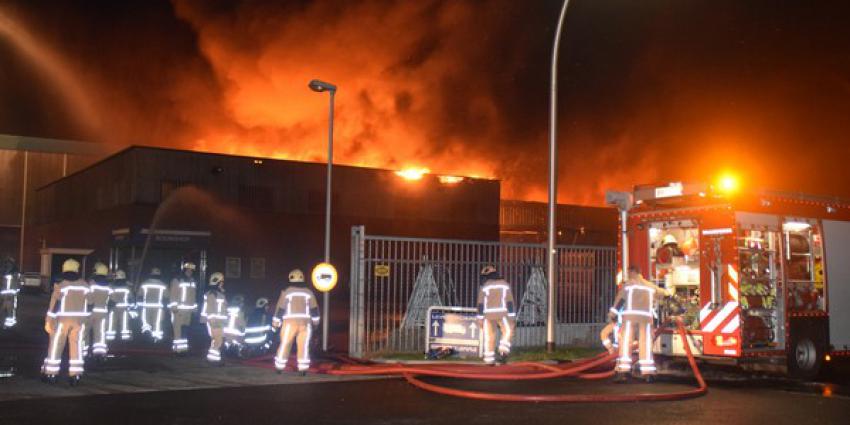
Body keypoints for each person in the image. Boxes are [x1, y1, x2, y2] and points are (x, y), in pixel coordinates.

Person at [612, 266, 670, 382]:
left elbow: (619, 301)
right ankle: (648, 374)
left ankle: (624, 372)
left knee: (626, 344)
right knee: (646, 344)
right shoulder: (649, 285)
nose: (628, 275)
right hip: (646, 320)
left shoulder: (628, 285)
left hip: (630, 319)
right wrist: (669, 292)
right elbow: (664, 293)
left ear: (632, 272)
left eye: (629, 273)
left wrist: (612, 315)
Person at [41, 259, 90, 385]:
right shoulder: (85, 285)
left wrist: (48, 320)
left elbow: (54, 304)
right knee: (76, 347)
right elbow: (89, 304)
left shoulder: (61, 285)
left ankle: (51, 374)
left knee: (56, 346)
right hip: (79, 321)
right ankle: (76, 375)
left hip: (62, 321)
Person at [272, 269, 320, 375]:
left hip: (289, 323)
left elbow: (280, 308)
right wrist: (316, 323)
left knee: (285, 344)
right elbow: (314, 309)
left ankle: (279, 367)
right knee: (303, 346)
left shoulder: (287, 291)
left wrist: (275, 324)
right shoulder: (309, 292)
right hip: (306, 325)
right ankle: (303, 369)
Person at [476, 265, 516, 365]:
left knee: (489, 337)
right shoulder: (504, 284)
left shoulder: (484, 286)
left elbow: (480, 304)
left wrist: (480, 318)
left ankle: (489, 360)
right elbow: (510, 301)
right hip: (502, 314)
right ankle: (503, 351)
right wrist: (512, 316)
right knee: (508, 331)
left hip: (487, 316)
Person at [168, 262, 199, 355]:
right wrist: (174, 307)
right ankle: (177, 350)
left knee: (185, 330)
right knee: (178, 331)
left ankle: (183, 349)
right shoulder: (177, 280)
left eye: (192, 270)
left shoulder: (192, 281)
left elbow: (193, 296)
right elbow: (173, 294)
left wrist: (194, 309)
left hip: (188, 311)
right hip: (178, 311)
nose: (190, 271)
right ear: (184, 270)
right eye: (188, 269)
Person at [86, 262, 113, 358]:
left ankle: (83, 352)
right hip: (103, 313)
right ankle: (99, 354)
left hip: (90, 312)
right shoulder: (109, 286)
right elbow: (111, 301)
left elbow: (88, 299)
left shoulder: (91, 284)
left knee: (85, 332)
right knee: (100, 334)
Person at [200, 272, 227, 363]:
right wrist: (212, 321)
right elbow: (211, 309)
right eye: (221, 282)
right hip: (215, 321)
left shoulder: (217, 293)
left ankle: (212, 358)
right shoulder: (212, 294)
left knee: (216, 340)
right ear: (217, 282)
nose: (222, 284)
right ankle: (214, 360)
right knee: (218, 341)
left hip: (218, 321)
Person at [137, 267, 168, 342]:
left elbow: (139, 295)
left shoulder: (144, 283)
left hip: (146, 307)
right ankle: (156, 339)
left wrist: (138, 307)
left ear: (151, 274)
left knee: (146, 323)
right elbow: (167, 296)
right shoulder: (163, 285)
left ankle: (146, 339)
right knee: (157, 323)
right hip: (158, 308)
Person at [107, 270, 134, 342]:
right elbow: (131, 299)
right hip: (124, 309)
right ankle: (126, 340)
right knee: (125, 325)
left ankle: (110, 340)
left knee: (111, 325)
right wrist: (132, 309)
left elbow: (108, 298)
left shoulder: (111, 286)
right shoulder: (127, 287)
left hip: (113, 309)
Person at [1, 256, 20, 329]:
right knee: (8, 309)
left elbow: (16, 284)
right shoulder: (13, 271)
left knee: (7, 309)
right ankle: (7, 324)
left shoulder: (7, 271)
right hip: (9, 295)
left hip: (7, 295)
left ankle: (7, 324)